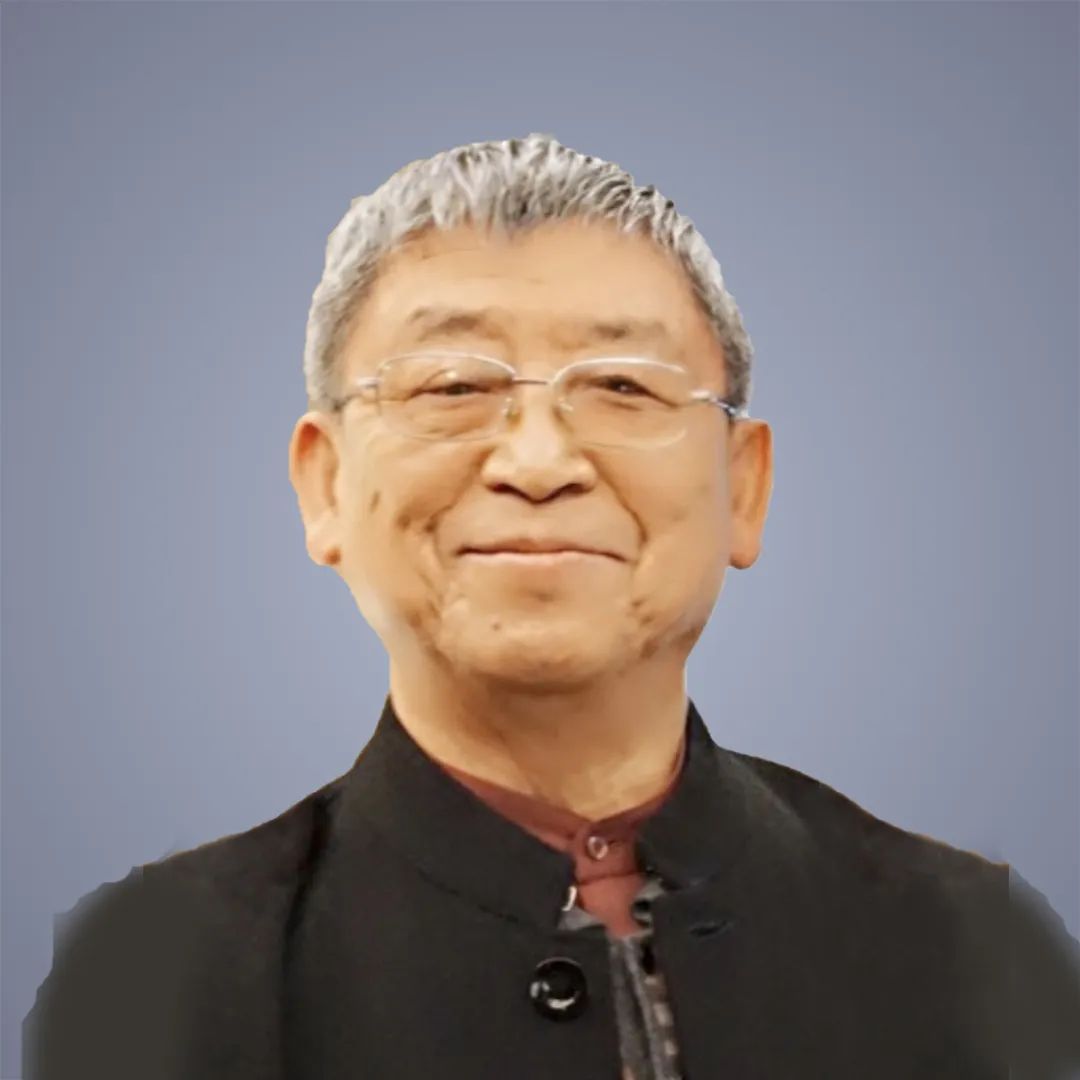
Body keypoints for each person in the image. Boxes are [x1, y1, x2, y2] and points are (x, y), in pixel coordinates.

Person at [23, 132, 1080, 1080]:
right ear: (325, 484)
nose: (537, 462)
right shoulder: (152, 975)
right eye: (452, 386)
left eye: (622, 387)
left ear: (744, 488)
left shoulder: (971, 950)